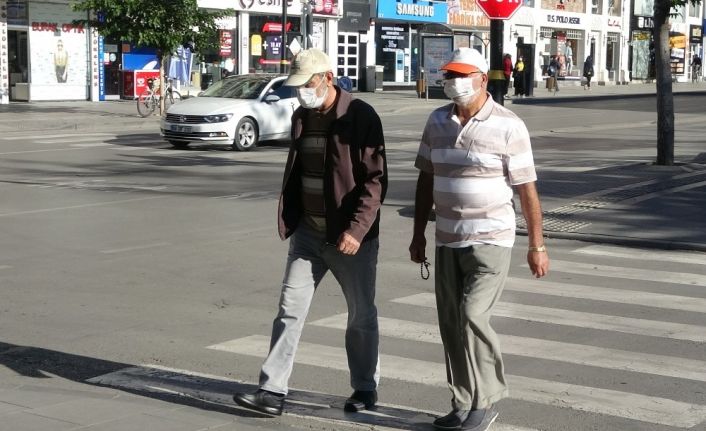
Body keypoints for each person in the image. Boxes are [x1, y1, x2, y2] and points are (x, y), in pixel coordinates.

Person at [232, 48, 388, 417]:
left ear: (327, 78)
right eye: (298, 85)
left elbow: (375, 181)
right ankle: (271, 391)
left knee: (360, 315)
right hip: (308, 233)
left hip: (349, 238)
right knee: (289, 310)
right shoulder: (302, 116)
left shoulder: (360, 115)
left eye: (307, 84)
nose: (301, 91)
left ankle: (365, 388)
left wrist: (357, 230)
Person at [408, 47, 549, 431]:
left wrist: (537, 245)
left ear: (483, 79)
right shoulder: (437, 120)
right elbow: (425, 178)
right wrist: (418, 233)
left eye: (461, 75)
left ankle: (486, 400)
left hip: (491, 240)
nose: (452, 81)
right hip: (447, 238)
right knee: (451, 323)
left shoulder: (508, 125)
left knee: (472, 315)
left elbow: (527, 190)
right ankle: (462, 402)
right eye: (449, 75)